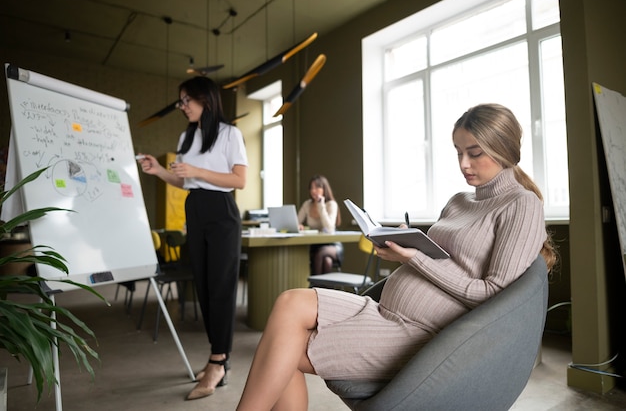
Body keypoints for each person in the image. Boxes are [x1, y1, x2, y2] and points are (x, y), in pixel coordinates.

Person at [236, 103, 557, 411]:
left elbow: (492, 295)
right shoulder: (459, 200)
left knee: (281, 352)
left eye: (474, 153)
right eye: (459, 152)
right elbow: (442, 257)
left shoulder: (521, 205)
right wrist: (406, 242)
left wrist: (413, 258)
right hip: (383, 311)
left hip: (416, 334)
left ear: (504, 150)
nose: (463, 164)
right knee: (289, 304)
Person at [138, 76, 248, 401]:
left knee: (221, 288)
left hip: (222, 212)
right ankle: (220, 357)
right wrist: (159, 170)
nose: (182, 107)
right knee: (203, 287)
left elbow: (239, 180)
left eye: (187, 100)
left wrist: (197, 172)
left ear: (206, 100)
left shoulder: (231, 133)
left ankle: (218, 361)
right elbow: (185, 182)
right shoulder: (186, 135)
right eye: (181, 101)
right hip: (195, 208)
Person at [297, 175, 342, 274]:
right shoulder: (307, 204)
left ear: (324, 189)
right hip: (316, 245)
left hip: (332, 245)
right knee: (327, 261)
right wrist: (298, 226)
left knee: (321, 254)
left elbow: (329, 228)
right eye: (311, 188)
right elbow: (297, 221)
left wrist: (321, 206)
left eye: (317, 187)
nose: (314, 190)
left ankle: (314, 285)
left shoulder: (331, 204)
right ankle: (325, 288)